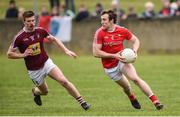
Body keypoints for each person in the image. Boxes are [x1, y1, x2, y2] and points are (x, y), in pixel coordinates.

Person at [6, 10, 90, 110]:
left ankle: (83, 102)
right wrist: (23, 55)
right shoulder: (19, 37)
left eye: (33, 20)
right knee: (45, 92)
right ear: (23, 22)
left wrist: (66, 50)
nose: (31, 23)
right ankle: (35, 92)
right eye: (28, 21)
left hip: (46, 62)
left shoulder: (40, 31)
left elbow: (53, 39)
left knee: (63, 81)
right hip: (34, 70)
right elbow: (9, 54)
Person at [93, 10, 163, 110]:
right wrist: (114, 55)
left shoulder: (122, 30)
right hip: (109, 68)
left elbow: (136, 40)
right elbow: (96, 53)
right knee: (126, 87)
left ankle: (155, 101)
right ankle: (131, 96)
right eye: (101, 20)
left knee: (135, 79)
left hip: (122, 61)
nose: (102, 22)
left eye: (104, 20)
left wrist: (134, 51)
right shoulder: (99, 33)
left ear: (112, 20)